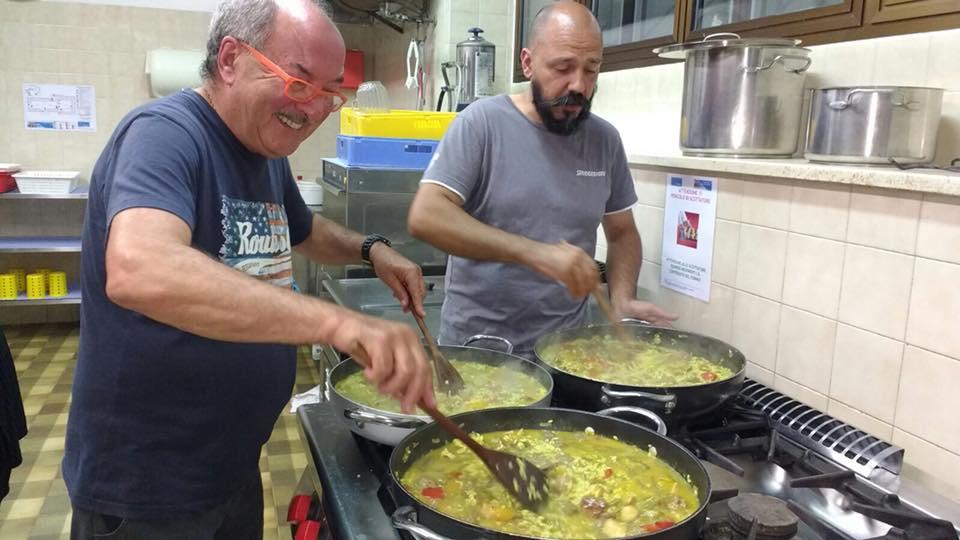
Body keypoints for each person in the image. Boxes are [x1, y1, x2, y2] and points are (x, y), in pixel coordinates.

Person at [63, 1, 435, 538]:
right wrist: (336, 323)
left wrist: (372, 250)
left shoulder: (264, 150)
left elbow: (302, 229)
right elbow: (139, 267)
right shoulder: (164, 134)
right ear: (231, 59)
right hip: (149, 485)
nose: (314, 109)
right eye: (299, 82)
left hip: (231, 463)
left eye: (331, 93)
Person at [407, 1, 676, 358]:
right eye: (563, 68)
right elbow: (427, 216)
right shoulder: (482, 123)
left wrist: (622, 298)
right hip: (479, 351)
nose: (579, 85)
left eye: (591, 69)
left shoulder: (604, 140)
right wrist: (534, 253)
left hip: (568, 353)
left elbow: (622, 232)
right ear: (528, 63)